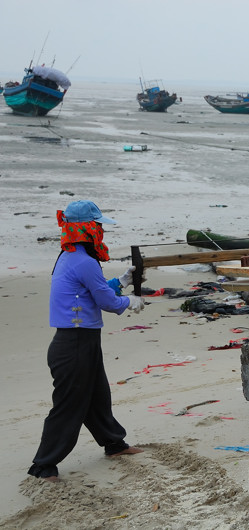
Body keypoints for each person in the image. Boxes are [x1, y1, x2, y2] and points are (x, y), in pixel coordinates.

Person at [28, 200, 146, 482]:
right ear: (87, 229)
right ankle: (42, 466)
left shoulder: (70, 256)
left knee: (97, 396)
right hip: (75, 344)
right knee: (69, 404)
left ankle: (114, 444)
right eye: (99, 226)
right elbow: (106, 301)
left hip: (81, 341)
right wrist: (130, 301)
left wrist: (122, 281)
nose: (101, 231)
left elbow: (93, 290)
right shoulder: (84, 261)